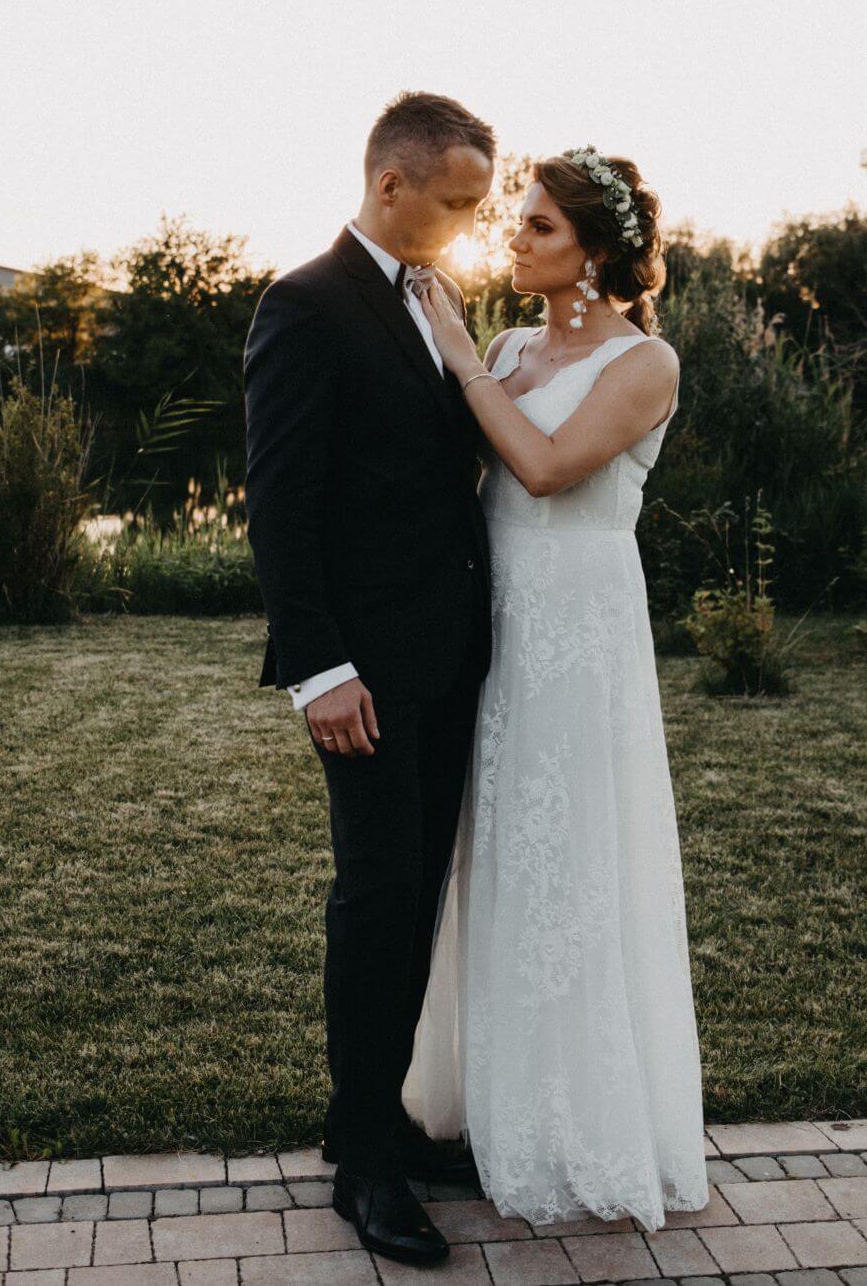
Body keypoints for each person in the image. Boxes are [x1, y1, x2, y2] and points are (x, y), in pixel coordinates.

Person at [402, 146, 711, 1232]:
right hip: (496, 628)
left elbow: (541, 468)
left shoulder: (644, 362)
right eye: (519, 221)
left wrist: (457, 357)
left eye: (538, 226)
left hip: (579, 635)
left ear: (595, 250)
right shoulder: (509, 346)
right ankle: (494, 1105)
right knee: (495, 853)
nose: (514, 238)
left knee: (571, 856)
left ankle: (580, 1123)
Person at [243, 91, 496, 1266]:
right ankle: (364, 1168)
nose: (470, 222)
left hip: (448, 659)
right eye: (456, 201)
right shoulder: (304, 304)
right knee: (378, 896)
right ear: (391, 184)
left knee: (416, 893)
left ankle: (379, 1119)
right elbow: (280, 505)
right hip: (364, 675)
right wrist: (319, 669)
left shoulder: (436, 300)